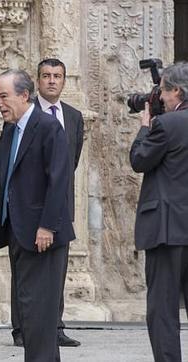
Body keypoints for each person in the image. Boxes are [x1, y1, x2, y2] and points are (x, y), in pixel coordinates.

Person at [0, 69, 74, 362]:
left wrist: (47, 226)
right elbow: (1, 176)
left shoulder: (47, 127)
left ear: (24, 95)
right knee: (28, 311)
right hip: (17, 233)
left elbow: (59, 181)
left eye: (3, 96)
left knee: (41, 312)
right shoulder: (11, 130)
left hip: (42, 235)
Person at [10, 58, 82, 348]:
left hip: (60, 205)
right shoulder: (25, 114)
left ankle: (55, 326)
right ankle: (21, 328)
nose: (52, 80)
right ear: (36, 82)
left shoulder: (74, 116)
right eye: (46, 76)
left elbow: (69, 163)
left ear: (64, 81)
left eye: (58, 76)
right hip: (29, 208)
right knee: (25, 275)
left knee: (56, 271)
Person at [129, 61, 188, 362]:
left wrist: (144, 126)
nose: (159, 97)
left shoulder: (166, 125)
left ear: (177, 91)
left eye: (163, 91)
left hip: (167, 228)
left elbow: (139, 160)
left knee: (163, 310)